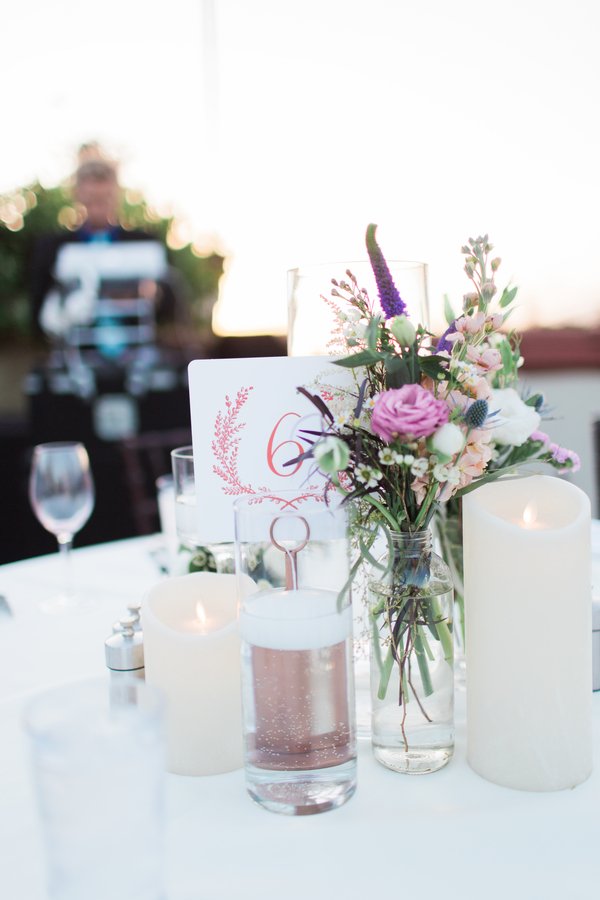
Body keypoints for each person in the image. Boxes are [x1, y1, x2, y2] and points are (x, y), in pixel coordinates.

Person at [29, 149, 179, 338]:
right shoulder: (54, 248)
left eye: (104, 199)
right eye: (92, 199)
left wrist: (153, 294)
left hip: (136, 347)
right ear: (78, 195)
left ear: (116, 195)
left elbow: (171, 305)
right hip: (73, 349)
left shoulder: (145, 243)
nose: (98, 206)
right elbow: (39, 307)